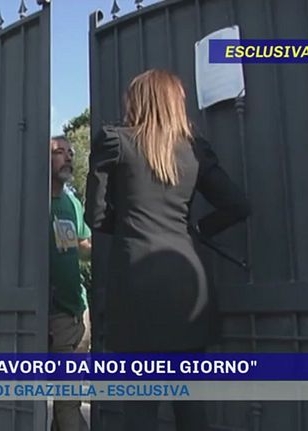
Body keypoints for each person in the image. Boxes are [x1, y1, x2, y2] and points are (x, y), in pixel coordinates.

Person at [85, 69, 250, 430]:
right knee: (191, 409)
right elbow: (237, 205)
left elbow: (95, 216)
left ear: (138, 101)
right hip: (188, 287)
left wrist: (129, 225)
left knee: (140, 412)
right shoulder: (194, 149)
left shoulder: (115, 142)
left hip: (136, 287)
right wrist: (197, 229)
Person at [49, 136, 91, 431]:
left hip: (78, 311)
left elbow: (83, 244)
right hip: (53, 314)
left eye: (70, 152)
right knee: (67, 400)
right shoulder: (35, 201)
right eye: (59, 152)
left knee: (68, 399)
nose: (67, 157)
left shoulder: (72, 201)